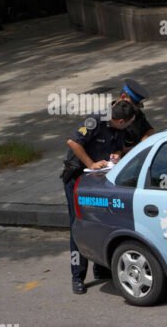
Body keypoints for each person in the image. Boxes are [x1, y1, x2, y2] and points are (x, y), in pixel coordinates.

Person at [61, 101, 137, 294]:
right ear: (120, 120)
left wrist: (116, 155)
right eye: (127, 124)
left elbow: (119, 148)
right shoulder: (94, 120)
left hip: (99, 180)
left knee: (101, 222)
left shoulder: (119, 127)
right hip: (78, 178)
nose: (128, 127)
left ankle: (100, 267)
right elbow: (73, 142)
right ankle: (77, 276)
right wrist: (91, 163)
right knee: (79, 224)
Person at [117, 78, 155, 149]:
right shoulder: (108, 118)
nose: (135, 108)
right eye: (134, 104)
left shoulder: (136, 113)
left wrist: (141, 145)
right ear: (123, 97)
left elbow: (150, 130)